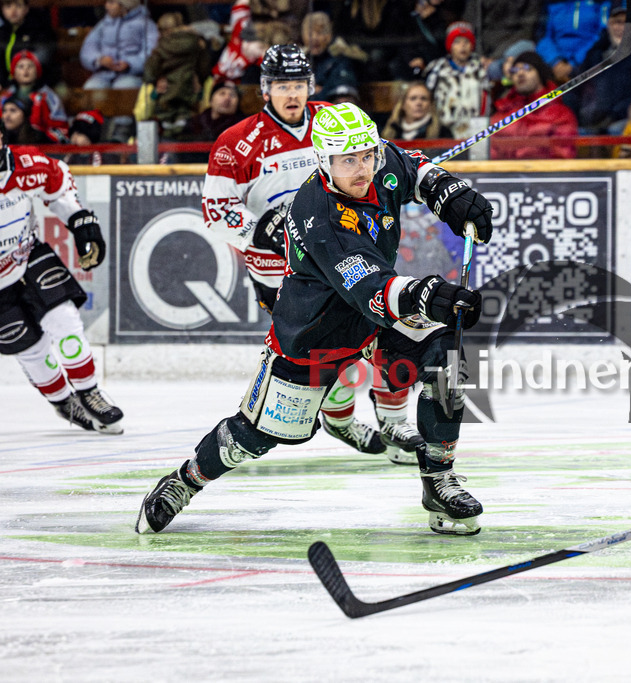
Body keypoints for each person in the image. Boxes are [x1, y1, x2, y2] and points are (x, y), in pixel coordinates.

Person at [136, 102, 495, 537]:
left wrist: (447, 191)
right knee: (254, 437)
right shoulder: (316, 214)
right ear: (324, 161)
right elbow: (373, 291)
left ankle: (438, 480)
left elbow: (412, 167)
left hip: (372, 320)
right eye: (348, 160)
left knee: (446, 358)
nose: (362, 168)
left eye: (366, 156)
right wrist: (430, 295)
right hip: (316, 329)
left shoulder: (374, 159)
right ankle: (185, 481)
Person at [201, 45, 421, 465]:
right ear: (266, 89)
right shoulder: (237, 143)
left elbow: (379, 154)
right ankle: (335, 417)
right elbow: (215, 211)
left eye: (298, 84)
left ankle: (385, 421)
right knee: (325, 349)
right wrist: (261, 228)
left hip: (345, 251)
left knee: (381, 328)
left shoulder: (332, 120)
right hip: (283, 274)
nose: (292, 93)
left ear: (310, 86)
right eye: (282, 85)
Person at [0, 115, 124, 434]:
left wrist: (82, 222)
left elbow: (58, 182)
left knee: (65, 320)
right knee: (29, 349)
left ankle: (90, 392)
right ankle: (63, 402)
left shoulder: (24, 164)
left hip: (28, 255)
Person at [571, 0, 631, 135]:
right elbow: (576, 90)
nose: (622, 28)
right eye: (617, 22)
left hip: (628, 121)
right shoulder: (595, 54)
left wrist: (613, 114)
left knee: (615, 131)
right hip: (592, 123)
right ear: (609, 24)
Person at [490, 51, 578, 160]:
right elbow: (490, 157)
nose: (520, 73)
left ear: (540, 74)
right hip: (505, 175)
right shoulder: (501, 115)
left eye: (527, 68)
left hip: (544, 175)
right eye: (515, 70)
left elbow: (564, 158)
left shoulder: (561, 115)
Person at [141, 13, 212, 139]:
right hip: (190, 96)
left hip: (165, 97)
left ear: (165, 30)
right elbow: (204, 67)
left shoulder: (162, 46)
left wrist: (157, 79)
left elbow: (150, 71)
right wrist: (198, 77)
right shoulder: (196, 42)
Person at [423, 21, 490, 140]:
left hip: (475, 129)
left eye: (466, 42)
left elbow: (486, 100)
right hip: (443, 130)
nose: (462, 46)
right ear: (450, 46)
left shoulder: (480, 70)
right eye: (457, 42)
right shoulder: (437, 69)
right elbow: (428, 98)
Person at [79, 0, 159, 90]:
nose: (106, 6)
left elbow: (151, 52)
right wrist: (99, 59)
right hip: (103, 74)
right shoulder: (104, 24)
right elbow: (88, 47)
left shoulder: (145, 24)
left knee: (124, 88)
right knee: (91, 88)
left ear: (124, 6)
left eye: (111, 3)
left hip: (133, 75)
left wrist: (130, 64)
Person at [1, 50, 68, 142]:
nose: (25, 70)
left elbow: (61, 127)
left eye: (30, 66)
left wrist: (44, 139)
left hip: (41, 146)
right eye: (21, 66)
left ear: (37, 71)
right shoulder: (5, 97)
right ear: (14, 72)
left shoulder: (49, 96)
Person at [536, 0, 608, 84]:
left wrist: (574, 62)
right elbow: (541, 36)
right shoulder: (551, 3)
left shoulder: (600, 3)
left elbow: (602, 34)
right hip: (554, 64)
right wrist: (555, 61)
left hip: (587, 62)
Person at [300, 12, 359, 98]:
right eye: (309, 33)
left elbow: (338, 93)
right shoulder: (301, 60)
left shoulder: (340, 59)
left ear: (329, 35)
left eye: (319, 33)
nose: (314, 38)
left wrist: (310, 92)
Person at [0, 0, 57, 88]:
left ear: (26, 9)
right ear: (2, 9)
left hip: (35, 86)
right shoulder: (2, 33)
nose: (13, 11)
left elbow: (43, 61)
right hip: (7, 85)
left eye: (18, 6)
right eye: (8, 6)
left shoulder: (39, 31)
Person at [380, 80, 453, 142]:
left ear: (430, 104)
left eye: (424, 98)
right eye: (413, 98)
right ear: (403, 104)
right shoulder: (392, 130)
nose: (419, 103)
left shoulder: (442, 132)